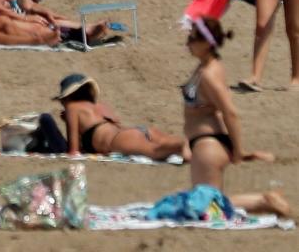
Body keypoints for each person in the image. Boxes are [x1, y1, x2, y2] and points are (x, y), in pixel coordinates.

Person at [183, 18, 290, 217]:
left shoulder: (209, 74)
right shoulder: (206, 67)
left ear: (206, 43)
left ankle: (264, 200)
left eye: (191, 39)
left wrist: (239, 150)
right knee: (204, 202)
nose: (187, 43)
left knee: (205, 206)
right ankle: (264, 200)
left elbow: (230, 112)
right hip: (205, 144)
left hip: (209, 146)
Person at [54, 73, 187, 161]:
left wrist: (69, 122)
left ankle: (183, 145)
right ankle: (194, 144)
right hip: (133, 132)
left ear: (67, 97)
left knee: (156, 150)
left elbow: (74, 151)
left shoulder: (73, 108)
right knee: (170, 142)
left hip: (119, 140)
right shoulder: (100, 107)